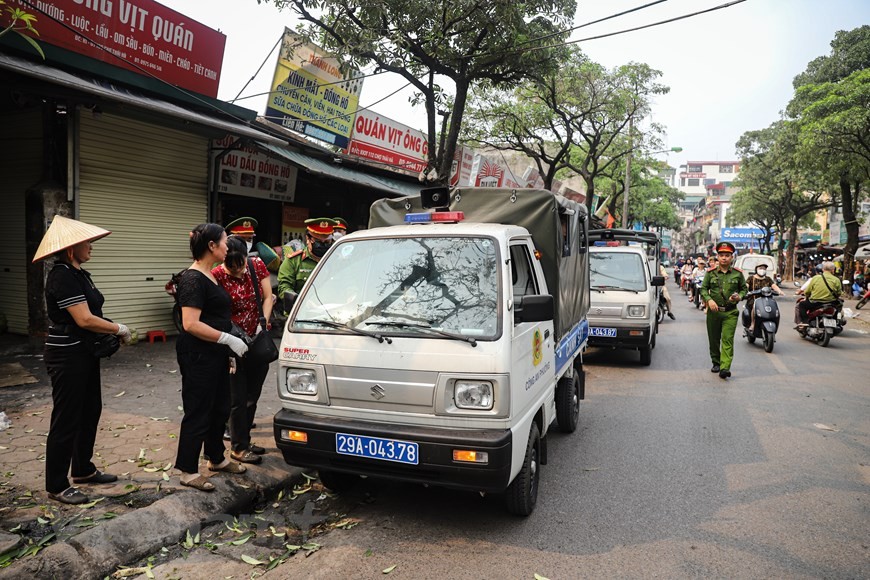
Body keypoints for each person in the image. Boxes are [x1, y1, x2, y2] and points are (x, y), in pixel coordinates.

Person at [33, 216, 133, 504]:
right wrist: (118, 328)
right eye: (86, 242)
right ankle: (56, 485)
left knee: (90, 409)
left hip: (83, 353)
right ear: (70, 248)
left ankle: (83, 469)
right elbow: (84, 318)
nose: (91, 246)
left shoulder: (79, 273)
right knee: (67, 418)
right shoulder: (62, 276)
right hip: (66, 355)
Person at [175, 223, 249, 492]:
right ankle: (187, 469)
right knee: (199, 409)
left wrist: (226, 346)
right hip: (198, 354)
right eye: (224, 241)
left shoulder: (212, 275)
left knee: (220, 407)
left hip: (215, 353)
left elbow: (216, 315)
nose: (228, 246)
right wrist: (227, 338)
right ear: (211, 246)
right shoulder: (193, 279)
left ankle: (216, 458)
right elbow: (191, 323)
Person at [213, 236, 273, 464]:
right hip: (233, 344)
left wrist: (263, 323)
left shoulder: (257, 266)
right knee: (237, 397)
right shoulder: (217, 275)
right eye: (232, 266)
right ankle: (237, 448)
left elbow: (268, 297)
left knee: (252, 396)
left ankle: (244, 439)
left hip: (257, 341)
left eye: (241, 265)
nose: (237, 271)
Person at [700, 241, 747, 379]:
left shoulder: (738, 274)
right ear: (717, 257)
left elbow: (744, 289)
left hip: (730, 312)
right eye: (721, 255)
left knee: (727, 339)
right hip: (714, 312)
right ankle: (716, 362)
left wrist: (740, 297)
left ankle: (725, 367)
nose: (724, 258)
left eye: (727, 255)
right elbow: (703, 289)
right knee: (714, 339)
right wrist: (709, 300)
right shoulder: (711, 273)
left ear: (732, 257)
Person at [277, 218, 337, 310]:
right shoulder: (293, 261)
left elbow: (348, 283)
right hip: (300, 314)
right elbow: (284, 288)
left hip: (332, 314)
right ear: (308, 239)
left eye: (327, 242)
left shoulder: (337, 261)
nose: (323, 245)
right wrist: (300, 301)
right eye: (318, 242)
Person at [795, 261, 843, 327]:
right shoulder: (836, 280)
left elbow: (807, 291)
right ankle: (837, 320)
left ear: (823, 269)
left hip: (815, 303)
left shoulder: (815, 278)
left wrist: (807, 294)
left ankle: (805, 322)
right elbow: (839, 293)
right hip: (831, 303)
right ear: (833, 270)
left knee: (801, 305)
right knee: (839, 306)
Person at [746, 263, 782, 332]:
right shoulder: (751, 278)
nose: (762, 270)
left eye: (764, 269)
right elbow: (746, 286)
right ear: (756, 269)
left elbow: (774, 286)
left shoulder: (768, 279)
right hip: (754, 299)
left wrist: (780, 291)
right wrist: (745, 292)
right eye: (760, 268)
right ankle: (753, 324)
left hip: (766, 299)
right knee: (754, 306)